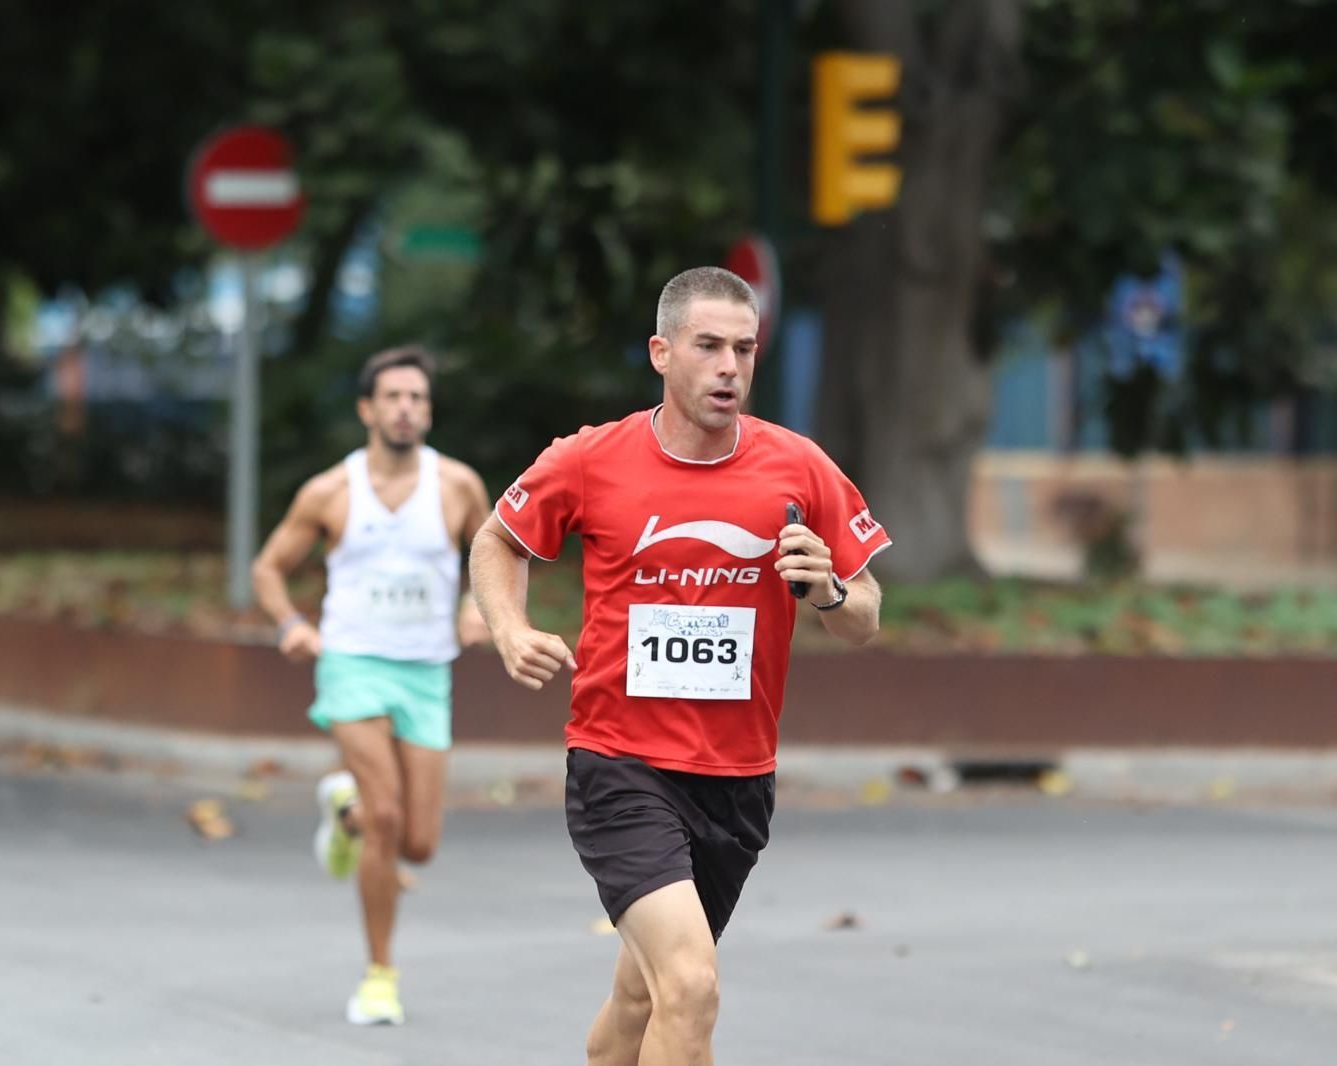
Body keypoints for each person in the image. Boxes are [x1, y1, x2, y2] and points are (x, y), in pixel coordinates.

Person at [469, 267, 892, 1064]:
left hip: (737, 778)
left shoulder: (800, 469)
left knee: (644, 995)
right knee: (692, 986)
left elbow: (865, 618)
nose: (730, 365)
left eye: (744, 348)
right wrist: (509, 625)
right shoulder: (591, 460)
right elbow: (498, 537)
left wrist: (830, 591)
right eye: (709, 346)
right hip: (620, 766)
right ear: (662, 353)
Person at [251, 344, 492, 1026]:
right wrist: (291, 624)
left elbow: (496, 553)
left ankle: (343, 814)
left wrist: (477, 607)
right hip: (352, 662)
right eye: (393, 397)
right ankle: (379, 976)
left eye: (417, 398)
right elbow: (269, 567)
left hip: (425, 669)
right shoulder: (330, 491)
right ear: (367, 409)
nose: (406, 408)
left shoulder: (458, 486)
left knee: (419, 844)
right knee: (388, 820)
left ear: (428, 411)